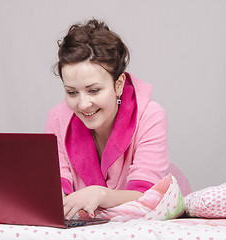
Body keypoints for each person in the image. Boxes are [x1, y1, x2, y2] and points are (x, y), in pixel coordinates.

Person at [46, 19, 171, 221]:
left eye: (94, 90)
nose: (84, 104)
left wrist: (100, 194)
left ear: (118, 84)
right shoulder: (57, 119)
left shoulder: (150, 116)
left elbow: (146, 196)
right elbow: (56, 187)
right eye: (71, 92)